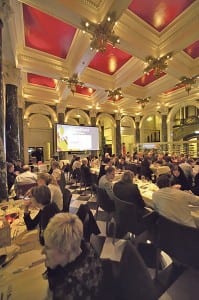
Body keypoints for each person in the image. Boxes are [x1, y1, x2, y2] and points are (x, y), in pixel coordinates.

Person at [42, 213, 103, 300]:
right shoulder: (85, 246)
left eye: (48, 248)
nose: (42, 252)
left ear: (64, 250)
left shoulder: (68, 290)